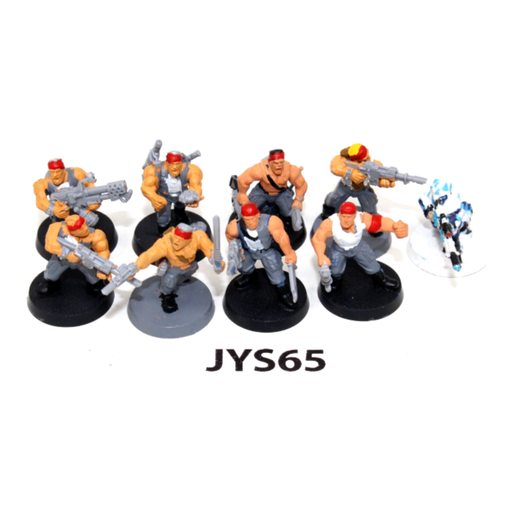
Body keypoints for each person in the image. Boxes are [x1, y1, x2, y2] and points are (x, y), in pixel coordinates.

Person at [312, 201, 408, 290]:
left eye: (349, 217)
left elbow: (379, 223)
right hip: (338, 249)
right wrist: (321, 255)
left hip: (358, 246)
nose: (345, 220)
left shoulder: (360, 218)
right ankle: (335, 281)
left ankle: (381, 279)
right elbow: (318, 239)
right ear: (340, 215)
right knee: (335, 270)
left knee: (371, 264)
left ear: (354, 215)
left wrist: (394, 227)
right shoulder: (331, 223)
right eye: (343, 216)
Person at [134, 223, 223, 313]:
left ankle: (181, 280)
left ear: (188, 240)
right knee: (169, 282)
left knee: (190, 271)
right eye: (175, 238)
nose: (176, 241)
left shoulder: (197, 237)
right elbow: (148, 256)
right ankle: (166, 296)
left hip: (190, 266)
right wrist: (136, 266)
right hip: (173, 268)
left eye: (180, 240)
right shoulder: (166, 242)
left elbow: (210, 249)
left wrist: (216, 261)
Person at [225, 202, 297, 308]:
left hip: (266, 251)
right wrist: (239, 251)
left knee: (275, 269)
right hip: (249, 250)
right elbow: (230, 236)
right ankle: (250, 276)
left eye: (252, 219)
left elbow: (282, 238)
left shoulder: (270, 222)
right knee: (243, 265)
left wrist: (289, 253)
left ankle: (283, 290)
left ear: (258, 215)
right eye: (247, 219)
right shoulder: (235, 226)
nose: (250, 223)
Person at [236, 149, 307, 229]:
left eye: (281, 162)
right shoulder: (260, 169)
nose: (279, 165)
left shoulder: (290, 170)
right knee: (247, 210)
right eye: (276, 163)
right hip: (262, 192)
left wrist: (298, 200)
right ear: (269, 162)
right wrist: (242, 193)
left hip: (281, 194)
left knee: (289, 213)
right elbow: (243, 179)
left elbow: (302, 185)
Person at [39, 214, 110, 294]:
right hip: (61, 259)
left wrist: (101, 269)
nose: (85, 229)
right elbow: (49, 245)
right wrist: (66, 254)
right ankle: (49, 282)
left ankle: (96, 283)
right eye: (80, 229)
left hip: (83, 260)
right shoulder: (57, 227)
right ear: (71, 230)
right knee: (51, 275)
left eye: (84, 225)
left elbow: (102, 252)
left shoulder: (95, 234)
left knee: (94, 279)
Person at [321, 144, 394, 218]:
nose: (363, 161)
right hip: (345, 187)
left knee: (370, 208)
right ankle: (327, 215)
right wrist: (350, 174)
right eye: (360, 160)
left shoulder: (375, 165)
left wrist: (382, 183)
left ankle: (371, 222)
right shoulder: (342, 159)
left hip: (363, 189)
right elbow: (334, 168)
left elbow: (377, 179)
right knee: (333, 201)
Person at [141, 151, 203, 229]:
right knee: (163, 218)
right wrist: (154, 197)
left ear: (181, 164)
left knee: (180, 210)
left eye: (177, 164)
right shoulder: (157, 170)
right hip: (164, 197)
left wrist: (194, 195)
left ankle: (180, 216)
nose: (174, 167)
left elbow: (196, 184)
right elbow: (146, 187)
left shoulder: (189, 170)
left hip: (181, 196)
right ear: (167, 164)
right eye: (172, 164)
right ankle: (163, 229)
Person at [34, 158, 98, 220]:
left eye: (58, 171)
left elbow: (90, 186)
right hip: (61, 211)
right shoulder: (43, 183)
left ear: (63, 170)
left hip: (80, 207)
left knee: (91, 220)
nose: (55, 175)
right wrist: (55, 210)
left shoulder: (76, 173)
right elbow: (40, 201)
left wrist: (94, 201)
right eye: (52, 172)